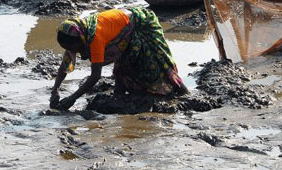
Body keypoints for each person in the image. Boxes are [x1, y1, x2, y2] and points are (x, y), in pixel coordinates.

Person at [50, 7, 189, 110]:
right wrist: (55, 90)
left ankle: (184, 92)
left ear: (80, 39)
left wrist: (72, 98)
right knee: (122, 64)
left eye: (75, 48)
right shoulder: (79, 31)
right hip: (122, 29)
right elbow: (65, 65)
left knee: (159, 61)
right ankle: (119, 94)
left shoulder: (94, 38)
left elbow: (95, 76)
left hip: (140, 24)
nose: (74, 52)